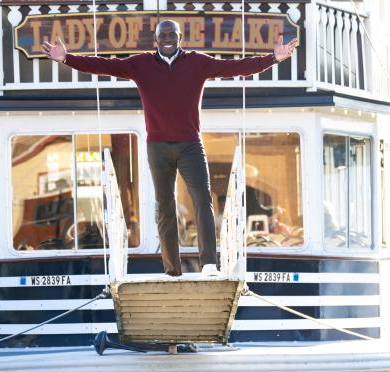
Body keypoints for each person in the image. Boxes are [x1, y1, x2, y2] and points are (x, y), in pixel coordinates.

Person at [42, 19, 298, 277]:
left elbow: (236, 67)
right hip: (157, 146)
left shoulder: (197, 62)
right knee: (164, 205)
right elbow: (105, 66)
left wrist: (273, 58)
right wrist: (67, 59)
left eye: (172, 35)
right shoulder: (140, 64)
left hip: (190, 145)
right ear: (155, 40)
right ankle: (172, 269)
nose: (167, 39)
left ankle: (209, 263)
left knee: (202, 199)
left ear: (180, 39)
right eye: (162, 36)